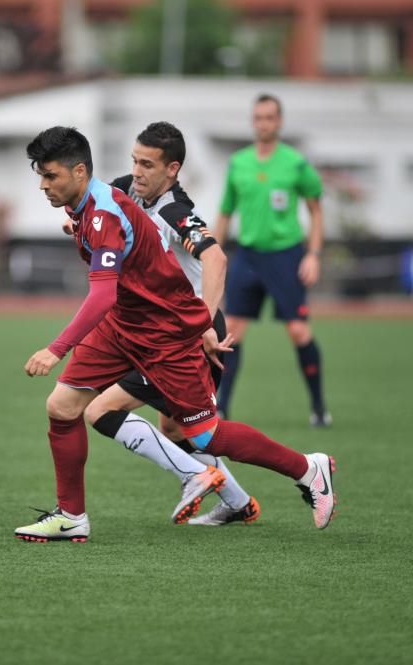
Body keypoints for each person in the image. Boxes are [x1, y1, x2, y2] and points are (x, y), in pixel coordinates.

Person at [15, 126, 336, 543]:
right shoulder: (112, 193)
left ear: (79, 172)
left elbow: (104, 294)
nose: (43, 185)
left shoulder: (157, 211)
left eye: (50, 176)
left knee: (202, 434)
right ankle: (72, 515)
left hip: (168, 331)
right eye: (134, 160)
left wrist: (55, 349)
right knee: (64, 406)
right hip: (126, 323)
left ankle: (308, 468)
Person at [93, 121, 260, 527]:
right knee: (174, 430)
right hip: (163, 330)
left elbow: (216, 258)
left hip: (189, 333)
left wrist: (201, 321)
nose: (136, 171)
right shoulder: (129, 190)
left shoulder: (174, 211)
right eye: (134, 160)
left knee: (103, 408)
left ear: (173, 170)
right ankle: (239, 503)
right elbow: (97, 202)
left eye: (147, 164)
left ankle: (303, 469)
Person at [213, 94, 331, 427]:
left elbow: (316, 210)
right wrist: (211, 253)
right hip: (248, 256)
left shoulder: (296, 164)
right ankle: (222, 407)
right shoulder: (239, 164)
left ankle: (319, 407)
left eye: (270, 117)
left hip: (286, 256)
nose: (264, 123)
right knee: (231, 332)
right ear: (253, 122)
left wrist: (314, 254)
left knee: (298, 331)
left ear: (279, 122)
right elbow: (225, 213)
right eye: (259, 117)